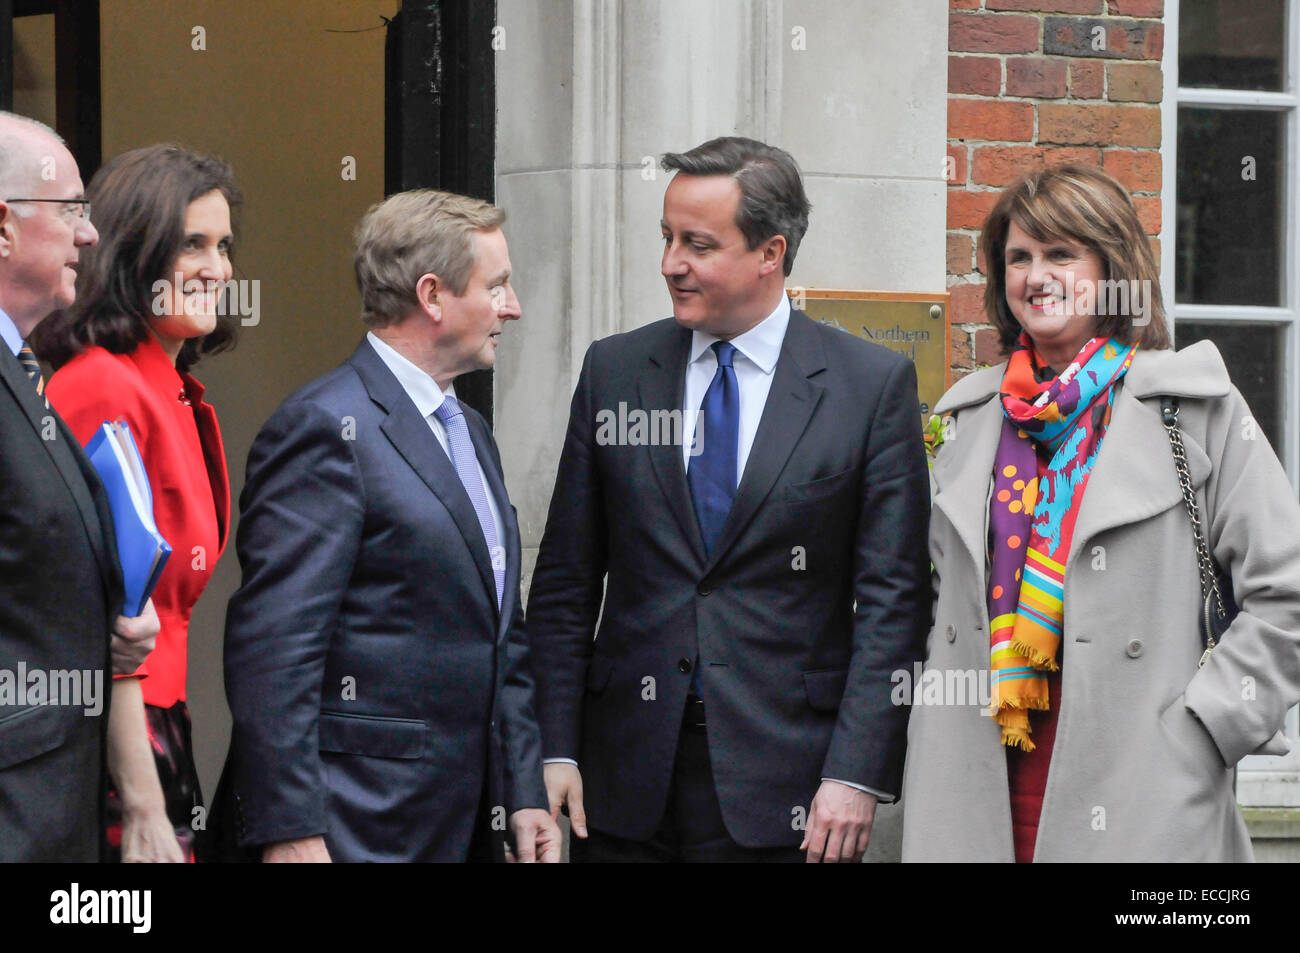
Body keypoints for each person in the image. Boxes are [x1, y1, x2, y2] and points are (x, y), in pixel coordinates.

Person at [528, 136, 932, 863]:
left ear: (770, 253)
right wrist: (554, 745)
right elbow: (565, 581)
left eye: (697, 244)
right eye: (666, 237)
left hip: (792, 794)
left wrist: (856, 772)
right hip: (620, 790)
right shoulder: (614, 371)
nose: (669, 263)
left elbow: (895, 604)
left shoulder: (869, 388)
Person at [902, 163, 1300, 862]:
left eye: (1061, 254)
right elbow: (922, 603)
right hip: (973, 788)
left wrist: (1207, 727)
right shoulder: (965, 418)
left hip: (1146, 789)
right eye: (1019, 257)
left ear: (1113, 267)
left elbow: (1286, 590)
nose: (1035, 275)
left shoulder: (1194, 410)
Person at [215, 190, 559, 862]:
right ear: (432, 294)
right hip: (355, 825)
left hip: (464, 826)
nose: (512, 307)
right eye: (497, 286)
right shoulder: (324, 427)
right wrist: (288, 825)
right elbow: (275, 649)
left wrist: (522, 788)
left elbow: (502, 635)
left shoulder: (472, 432)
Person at [32, 144, 238, 863]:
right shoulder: (101, 387)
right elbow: (98, 613)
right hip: (113, 743)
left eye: (224, 246)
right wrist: (145, 797)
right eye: (193, 244)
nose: (219, 269)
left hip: (164, 725)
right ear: (132, 253)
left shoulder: (175, 392)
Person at [0, 111, 158, 862]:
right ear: (2, 226)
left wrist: (108, 635)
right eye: (70, 211)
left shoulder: (26, 374)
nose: (89, 235)